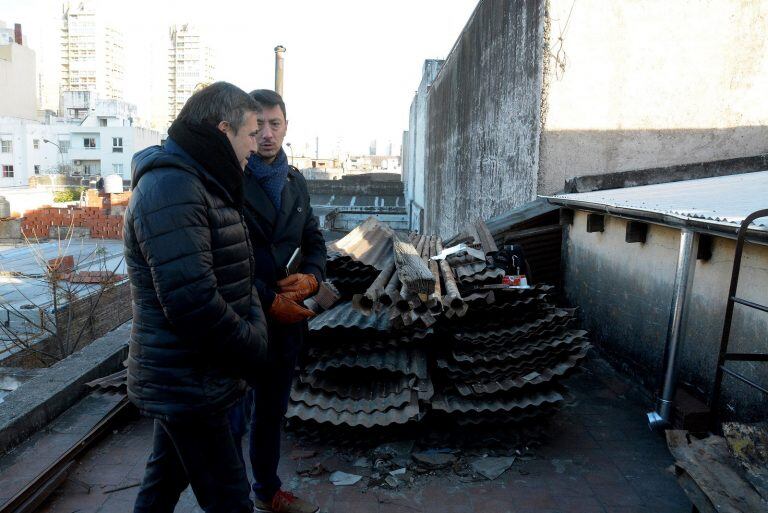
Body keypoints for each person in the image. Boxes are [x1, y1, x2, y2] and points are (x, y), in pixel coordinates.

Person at [124, 81, 268, 513]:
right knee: (230, 498)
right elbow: (193, 302)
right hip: (188, 380)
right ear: (223, 130)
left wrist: (253, 325)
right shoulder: (172, 187)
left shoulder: (204, 181)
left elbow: (238, 277)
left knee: (163, 483)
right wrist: (254, 345)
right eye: (250, 132)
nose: (258, 143)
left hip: (194, 376)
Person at [232, 89, 326, 513]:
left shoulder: (295, 181)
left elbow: (314, 239)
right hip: (242, 316)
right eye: (260, 126)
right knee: (234, 414)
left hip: (287, 323)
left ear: (287, 127)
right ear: (247, 128)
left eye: (276, 124)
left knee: (271, 412)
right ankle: (233, 498)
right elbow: (220, 258)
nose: (267, 135)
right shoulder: (230, 179)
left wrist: (313, 277)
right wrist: (266, 296)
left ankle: (267, 491)